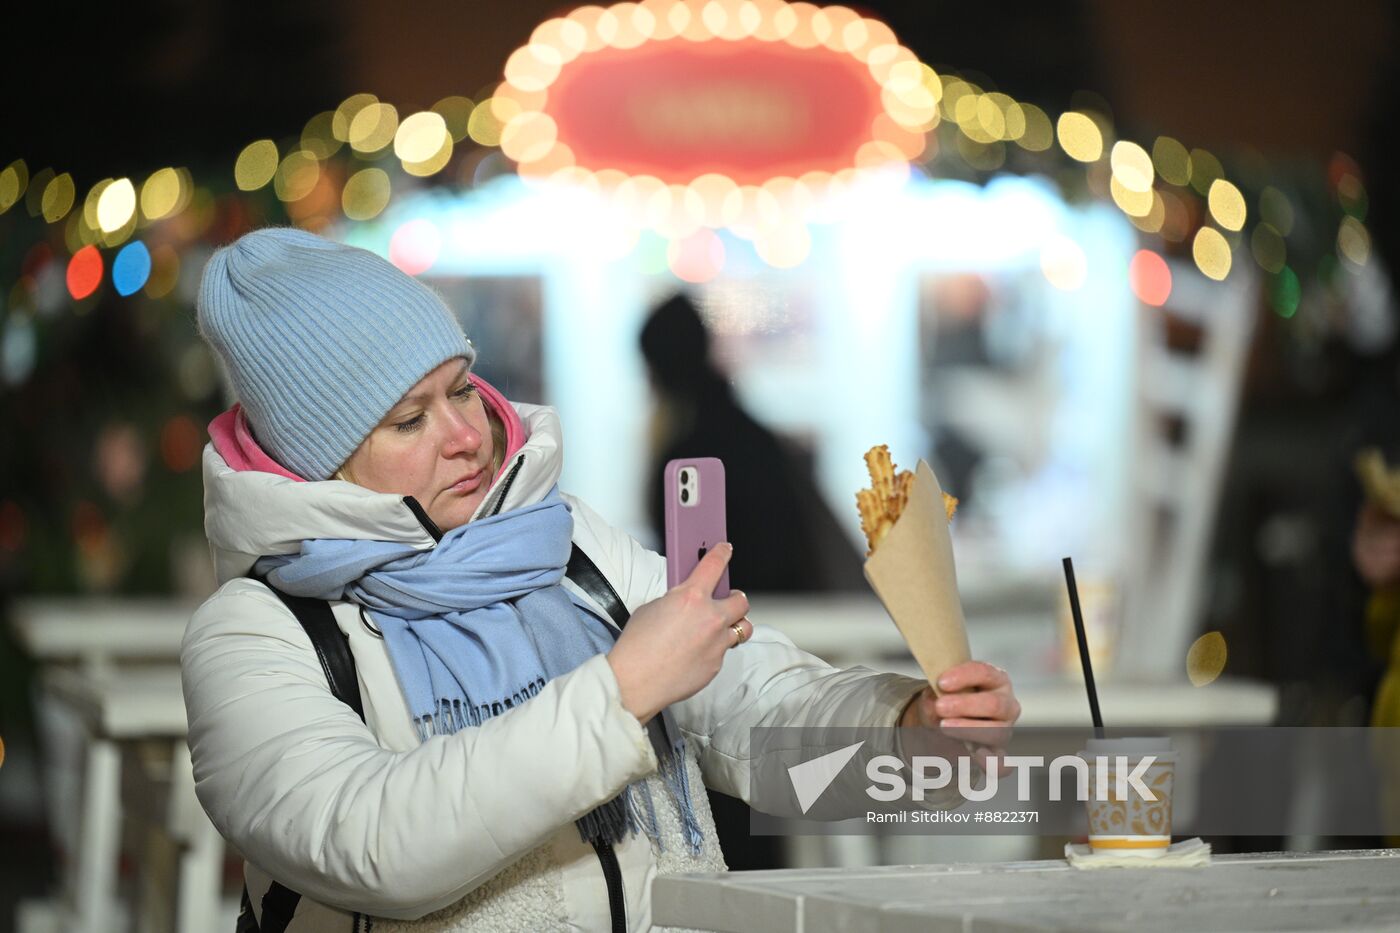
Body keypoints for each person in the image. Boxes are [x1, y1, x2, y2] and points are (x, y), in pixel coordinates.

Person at [182, 227, 1022, 932]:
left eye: (463, 389)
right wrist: (619, 692)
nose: (466, 434)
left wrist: (903, 732)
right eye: (409, 418)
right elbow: (372, 843)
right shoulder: (256, 630)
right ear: (316, 461)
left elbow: (751, 717)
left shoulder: (565, 540)